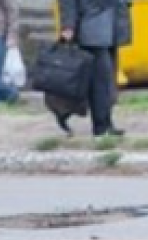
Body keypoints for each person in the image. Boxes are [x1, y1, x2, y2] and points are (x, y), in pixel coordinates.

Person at [57, 0, 132, 137]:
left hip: (111, 24)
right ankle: (101, 126)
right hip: (92, 24)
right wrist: (68, 24)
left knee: (106, 80)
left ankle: (105, 123)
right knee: (101, 79)